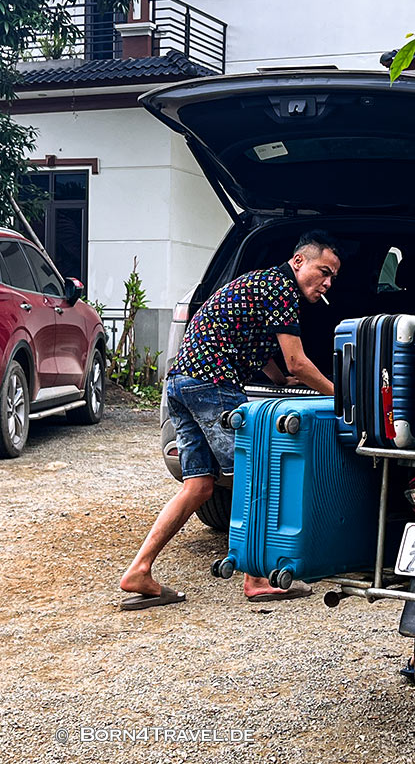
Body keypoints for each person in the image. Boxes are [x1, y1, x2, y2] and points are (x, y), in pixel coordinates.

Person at [118, 231, 341, 611]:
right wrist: (340, 396)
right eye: (324, 271)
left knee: (199, 486)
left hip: (181, 382)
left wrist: (278, 380)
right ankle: (256, 578)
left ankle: (139, 570)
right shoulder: (281, 289)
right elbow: (297, 362)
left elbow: (256, 345)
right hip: (212, 383)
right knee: (255, 473)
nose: (328, 283)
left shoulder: (260, 284)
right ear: (299, 261)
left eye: (333, 277)